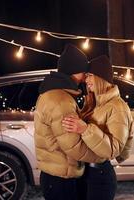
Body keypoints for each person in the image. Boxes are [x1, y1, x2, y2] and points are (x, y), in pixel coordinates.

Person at [34, 44, 104, 200]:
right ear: (74, 70)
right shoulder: (61, 101)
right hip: (62, 179)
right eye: (84, 72)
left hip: (53, 175)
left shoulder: (50, 94)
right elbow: (73, 146)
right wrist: (101, 155)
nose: (86, 77)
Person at [62, 55, 134, 200]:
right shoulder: (94, 103)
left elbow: (113, 149)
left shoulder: (117, 107)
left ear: (101, 77)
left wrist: (85, 129)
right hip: (85, 173)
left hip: (100, 177)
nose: (86, 80)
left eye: (90, 76)